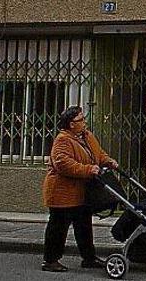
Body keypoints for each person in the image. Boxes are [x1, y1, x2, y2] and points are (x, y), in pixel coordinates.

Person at [41, 106, 118, 272]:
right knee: (58, 228)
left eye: (83, 118)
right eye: (80, 120)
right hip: (62, 193)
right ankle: (50, 260)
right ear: (71, 124)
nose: (84, 122)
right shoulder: (63, 140)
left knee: (84, 226)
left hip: (81, 192)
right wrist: (88, 169)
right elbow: (63, 164)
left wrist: (107, 161)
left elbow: (97, 154)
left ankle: (89, 258)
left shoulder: (87, 136)